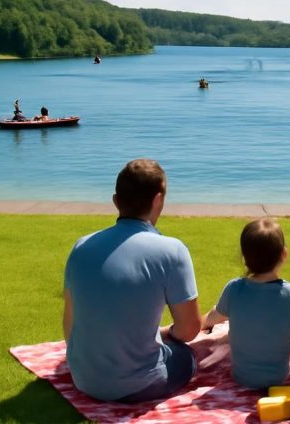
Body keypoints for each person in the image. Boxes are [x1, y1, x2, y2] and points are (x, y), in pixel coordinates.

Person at [62, 159, 201, 402]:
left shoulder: (82, 246)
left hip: (83, 378)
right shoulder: (171, 251)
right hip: (139, 385)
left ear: (116, 201)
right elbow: (189, 329)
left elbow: (69, 323)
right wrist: (169, 333)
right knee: (188, 354)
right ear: (158, 200)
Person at [202, 218, 290, 388]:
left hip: (241, 377)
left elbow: (213, 317)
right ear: (284, 254)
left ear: (244, 258)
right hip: (278, 378)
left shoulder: (234, 289)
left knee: (228, 329)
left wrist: (197, 324)